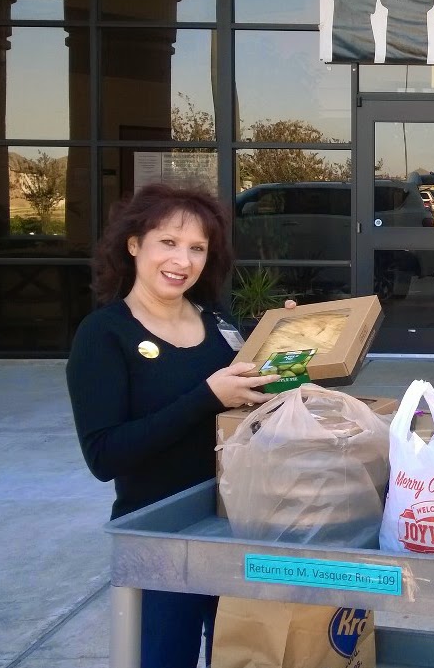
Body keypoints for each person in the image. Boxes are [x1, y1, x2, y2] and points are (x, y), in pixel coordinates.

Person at [67, 184, 282, 668]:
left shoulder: (218, 320)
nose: (182, 260)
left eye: (197, 248)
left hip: (236, 523)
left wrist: (288, 346)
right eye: (168, 242)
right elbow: (105, 455)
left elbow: (250, 403)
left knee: (243, 655)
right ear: (133, 244)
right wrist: (206, 397)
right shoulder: (104, 335)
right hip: (160, 537)